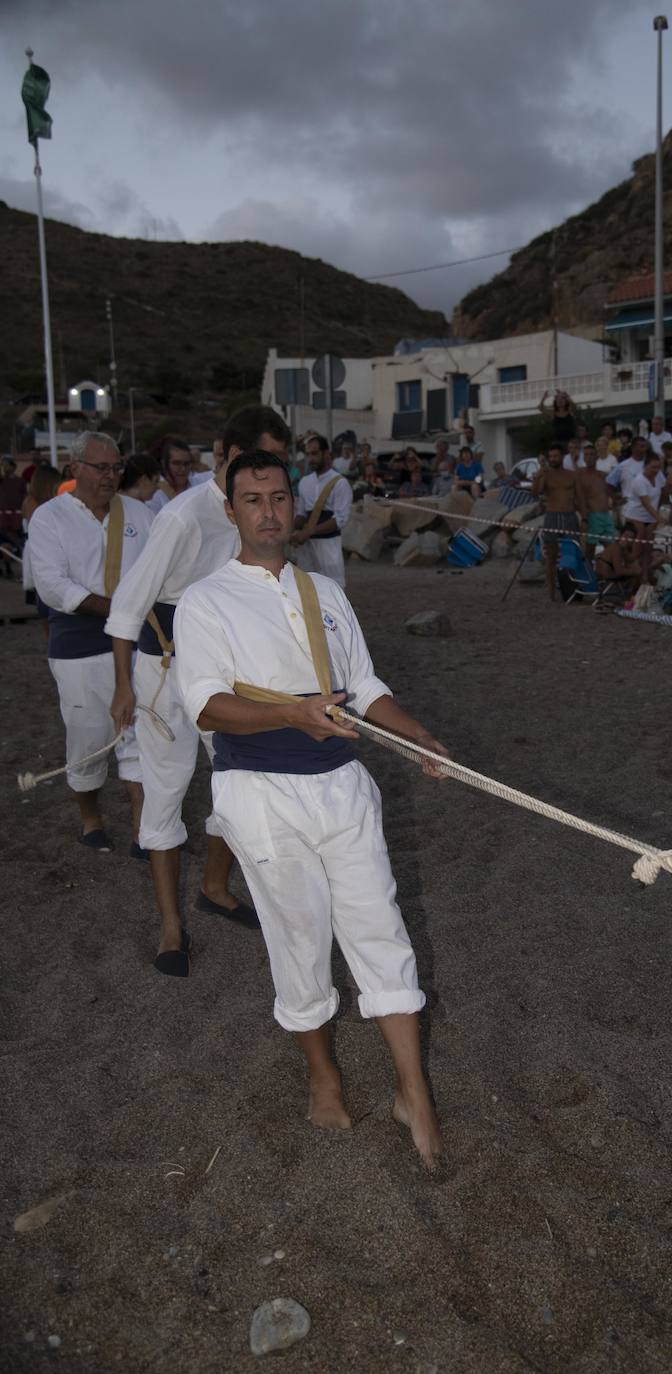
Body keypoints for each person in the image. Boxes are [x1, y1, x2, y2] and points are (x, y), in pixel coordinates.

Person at [174, 450, 446, 1167]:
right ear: (231, 511)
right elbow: (206, 705)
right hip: (260, 794)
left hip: (343, 783)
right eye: (252, 499)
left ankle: (413, 1091)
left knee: (380, 926)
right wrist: (291, 714)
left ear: (293, 506)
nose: (267, 512)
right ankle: (322, 1075)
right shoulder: (205, 601)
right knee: (299, 937)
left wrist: (414, 733)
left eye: (278, 498)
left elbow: (362, 685)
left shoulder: (324, 591)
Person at [106, 406, 291, 976]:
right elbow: (127, 606)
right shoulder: (183, 517)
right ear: (229, 456)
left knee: (238, 778)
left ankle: (213, 887)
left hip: (225, 670)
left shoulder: (260, 513)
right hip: (164, 668)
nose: (272, 480)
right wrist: (123, 687)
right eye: (260, 461)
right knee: (166, 789)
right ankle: (170, 926)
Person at [27, 431, 153, 850]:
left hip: (136, 642)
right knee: (89, 737)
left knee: (138, 732)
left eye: (117, 467)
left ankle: (141, 827)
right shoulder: (49, 518)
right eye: (101, 467)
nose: (111, 476)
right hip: (78, 646)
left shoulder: (140, 513)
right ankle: (90, 816)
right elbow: (51, 585)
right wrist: (116, 609)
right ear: (74, 468)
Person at [289, 434, 353, 590]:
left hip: (328, 546)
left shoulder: (340, 483)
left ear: (326, 454)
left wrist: (308, 532)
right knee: (306, 589)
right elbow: (302, 514)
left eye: (315, 453)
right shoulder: (305, 482)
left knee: (333, 589)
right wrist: (288, 530)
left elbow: (340, 520)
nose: (310, 458)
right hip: (306, 547)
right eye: (308, 454)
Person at [532, 443, 585, 601]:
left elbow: (580, 498)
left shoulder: (572, 475)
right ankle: (551, 594)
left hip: (569, 515)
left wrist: (585, 518)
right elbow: (535, 493)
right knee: (551, 556)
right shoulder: (545, 474)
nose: (553, 459)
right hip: (552, 515)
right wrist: (538, 476)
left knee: (573, 553)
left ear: (562, 457)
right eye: (551, 457)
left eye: (556, 456)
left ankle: (574, 589)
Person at [621, 450, 665, 584]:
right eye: (653, 467)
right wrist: (659, 517)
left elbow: (662, 492)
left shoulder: (659, 477)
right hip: (636, 516)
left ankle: (645, 576)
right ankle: (634, 577)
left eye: (658, 467)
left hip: (650, 518)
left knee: (648, 549)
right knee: (637, 550)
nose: (656, 470)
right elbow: (645, 502)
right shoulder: (639, 480)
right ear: (645, 466)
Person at [574, 444, 617, 559]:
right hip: (592, 515)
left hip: (605, 515)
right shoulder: (579, 474)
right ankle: (588, 569)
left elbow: (611, 492)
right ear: (584, 458)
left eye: (591, 454)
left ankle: (606, 567)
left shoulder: (602, 475)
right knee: (589, 549)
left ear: (597, 456)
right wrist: (584, 517)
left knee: (612, 547)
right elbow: (578, 497)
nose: (589, 457)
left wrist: (616, 500)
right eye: (586, 455)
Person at [147, 436, 195, 514]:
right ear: (163, 463)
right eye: (177, 463)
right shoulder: (154, 495)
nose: (183, 469)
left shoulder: (200, 484)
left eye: (187, 463)